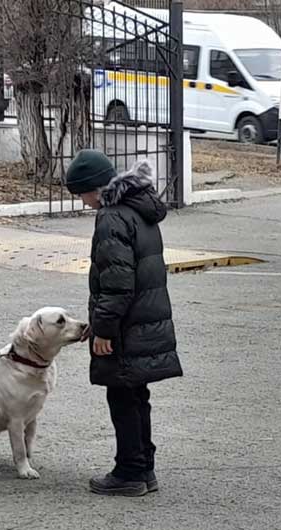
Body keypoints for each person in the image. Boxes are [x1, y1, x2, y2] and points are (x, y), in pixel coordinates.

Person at [65, 150, 183, 497]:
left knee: (122, 397)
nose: (84, 203)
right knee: (136, 394)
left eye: (82, 194)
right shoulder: (140, 209)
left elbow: (117, 282)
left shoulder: (112, 217)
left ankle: (129, 471)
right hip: (144, 318)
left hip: (125, 324)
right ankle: (144, 468)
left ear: (95, 189)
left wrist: (103, 329)